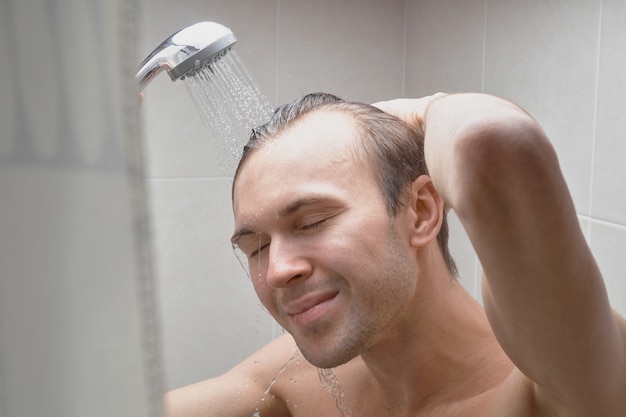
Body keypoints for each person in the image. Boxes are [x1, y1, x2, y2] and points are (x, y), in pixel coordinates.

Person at [164, 92, 626, 417]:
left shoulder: (552, 387)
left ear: (422, 211)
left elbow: (491, 144)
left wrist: (422, 110)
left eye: (312, 223)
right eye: (257, 247)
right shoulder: (301, 378)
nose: (278, 271)